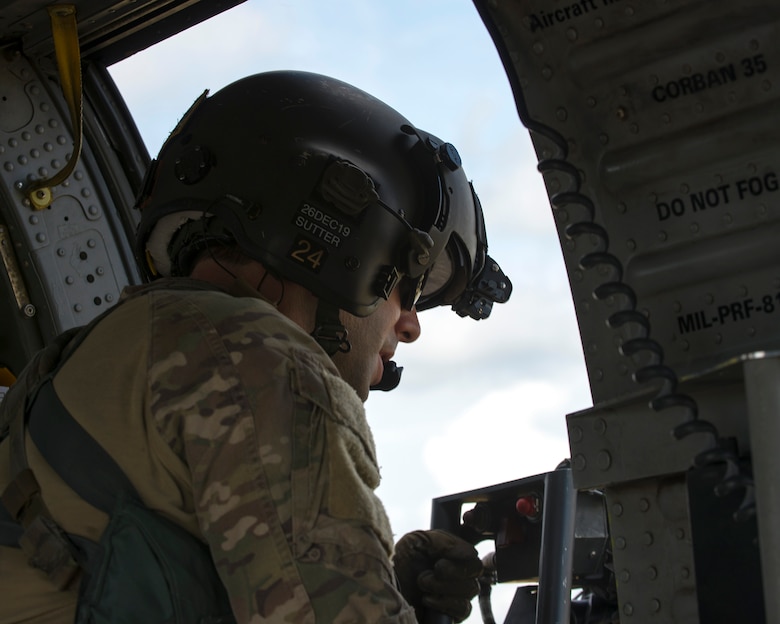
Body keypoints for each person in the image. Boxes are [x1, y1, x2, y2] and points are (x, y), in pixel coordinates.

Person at [0, 70, 511, 623]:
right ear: (349, 250)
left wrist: (390, 591)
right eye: (407, 288)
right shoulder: (257, 362)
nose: (409, 327)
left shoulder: (100, 352)